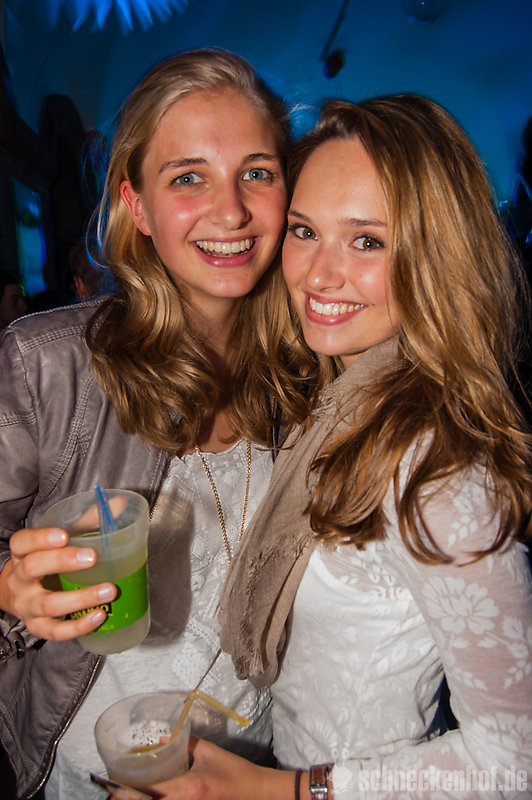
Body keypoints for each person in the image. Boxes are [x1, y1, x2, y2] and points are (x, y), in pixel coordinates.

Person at [143, 95, 532, 799]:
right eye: (304, 231)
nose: (319, 275)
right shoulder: (337, 400)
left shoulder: (437, 472)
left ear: (436, 255)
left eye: (367, 241)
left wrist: (284, 792)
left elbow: (515, 758)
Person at [0, 48, 313, 800]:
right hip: (94, 773)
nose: (231, 211)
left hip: (252, 769)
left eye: (257, 172)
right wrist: (11, 593)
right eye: (188, 178)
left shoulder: (311, 374)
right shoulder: (48, 367)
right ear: (136, 207)